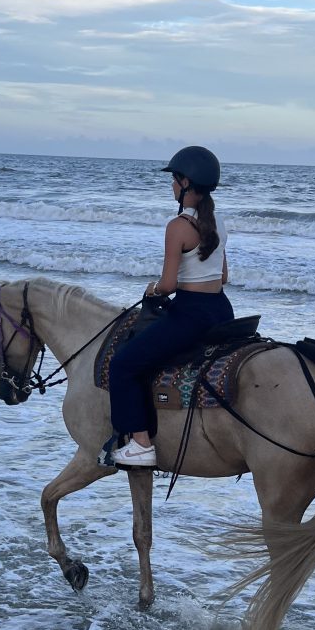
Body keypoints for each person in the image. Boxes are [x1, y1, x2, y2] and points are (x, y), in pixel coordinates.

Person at [108, 146, 235, 468]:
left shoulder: (177, 226)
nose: (172, 186)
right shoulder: (219, 222)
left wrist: (152, 289)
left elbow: (167, 285)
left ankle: (140, 444)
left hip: (191, 314)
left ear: (186, 183)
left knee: (123, 365)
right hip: (222, 309)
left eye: (174, 180)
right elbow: (224, 276)